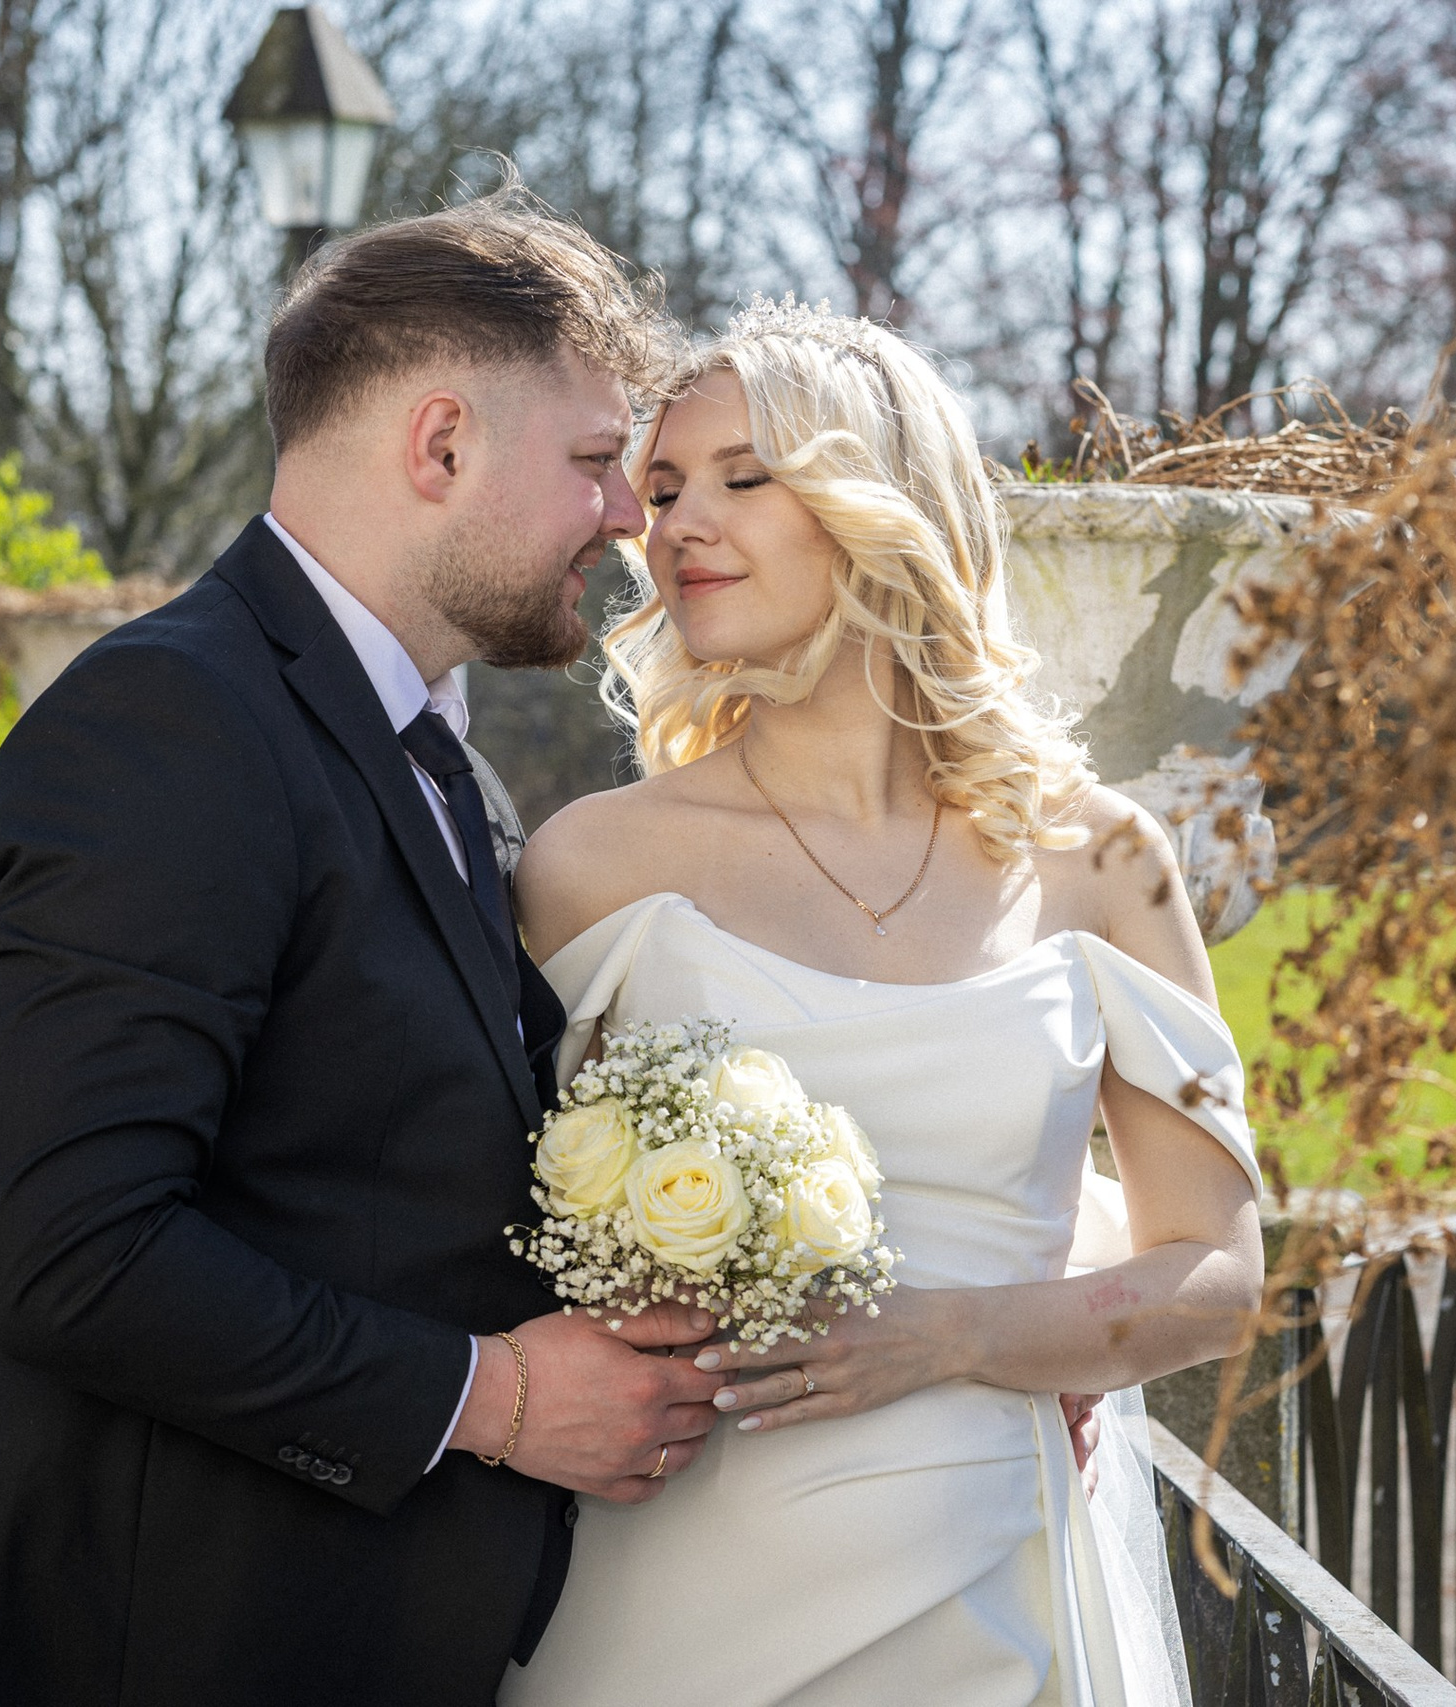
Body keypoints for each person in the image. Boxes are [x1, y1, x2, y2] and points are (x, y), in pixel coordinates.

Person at [0, 191, 734, 1707]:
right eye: (596, 460)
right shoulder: (167, 727)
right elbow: (73, 1257)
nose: (628, 518)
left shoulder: (442, 766)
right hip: (160, 1652)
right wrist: (491, 1399)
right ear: (442, 444)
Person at [506, 299, 1267, 1706]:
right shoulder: (589, 867)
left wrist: (964, 1335)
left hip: (992, 1579)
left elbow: (1218, 1277)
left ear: (883, 506)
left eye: (744, 477)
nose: (675, 526)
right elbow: (478, 1222)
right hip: (673, 1582)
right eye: (662, 490)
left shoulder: (1107, 862)